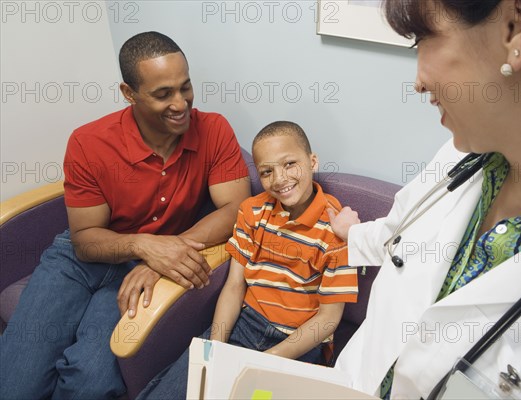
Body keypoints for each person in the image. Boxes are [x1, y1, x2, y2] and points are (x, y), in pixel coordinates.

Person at [328, 0, 521, 399]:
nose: (418, 83)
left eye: (423, 39)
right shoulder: (459, 160)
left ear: (513, 29)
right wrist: (351, 235)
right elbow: (398, 235)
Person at [0, 31, 250, 400]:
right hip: (83, 257)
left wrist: (165, 252)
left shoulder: (213, 129)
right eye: (163, 93)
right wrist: (144, 244)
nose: (180, 103)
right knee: (18, 382)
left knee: (90, 382)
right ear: (129, 93)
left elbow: (236, 209)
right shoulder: (89, 142)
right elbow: (85, 240)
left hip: (141, 271)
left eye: (186, 87)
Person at [137, 121, 359, 399]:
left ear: (312, 161)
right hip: (244, 325)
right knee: (183, 391)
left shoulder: (337, 227)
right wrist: (216, 347)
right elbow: (234, 285)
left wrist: (267, 361)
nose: (279, 179)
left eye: (290, 164)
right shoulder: (252, 211)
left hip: (297, 347)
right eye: (267, 171)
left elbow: (328, 319)